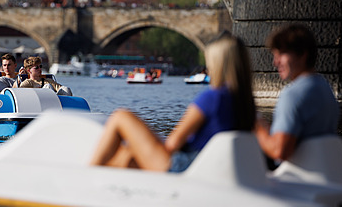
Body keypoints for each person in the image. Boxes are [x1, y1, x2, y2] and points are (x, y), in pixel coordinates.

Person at [90, 34, 256, 172]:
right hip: (206, 166)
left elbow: (173, 143)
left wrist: (145, 144)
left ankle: (87, 175)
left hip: (183, 165)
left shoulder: (212, 98)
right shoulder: (245, 102)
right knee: (127, 156)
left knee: (121, 116)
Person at [254, 24, 340, 161]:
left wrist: (257, 127)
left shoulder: (292, 95)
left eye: (281, 54)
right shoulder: (325, 89)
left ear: (302, 54)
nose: (275, 63)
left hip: (293, 177)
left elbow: (279, 151)